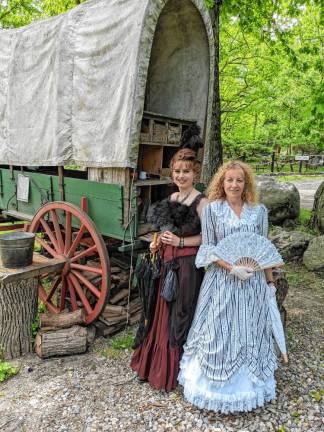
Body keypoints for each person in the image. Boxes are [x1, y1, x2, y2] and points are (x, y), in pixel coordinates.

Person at [178, 160, 287, 413]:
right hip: (223, 281)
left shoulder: (258, 211)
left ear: (245, 183)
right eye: (230, 180)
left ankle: (250, 388)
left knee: (251, 328)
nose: (234, 185)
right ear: (222, 182)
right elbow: (208, 248)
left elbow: (264, 250)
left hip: (253, 282)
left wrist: (269, 282)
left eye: (239, 180)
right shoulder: (213, 210)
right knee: (219, 330)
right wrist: (231, 267)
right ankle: (215, 390)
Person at [130, 147, 208, 391]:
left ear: (195, 173)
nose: (181, 175)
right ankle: (151, 367)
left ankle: (173, 374)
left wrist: (181, 242)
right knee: (159, 314)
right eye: (177, 171)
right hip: (165, 264)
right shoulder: (172, 199)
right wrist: (157, 242)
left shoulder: (202, 202)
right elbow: (164, 230)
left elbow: (208, 238)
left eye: (186, 171)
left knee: (179, 315)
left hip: (186, 267)